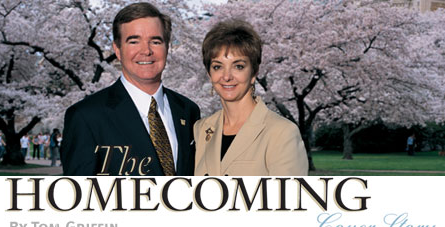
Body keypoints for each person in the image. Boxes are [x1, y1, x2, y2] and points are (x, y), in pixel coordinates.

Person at [61, 2, 200, 176]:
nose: (146, 51)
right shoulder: (86, 117)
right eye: (134, 41)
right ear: (117, 50)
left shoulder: (188, 111)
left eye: (155, 41)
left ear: (167, 47)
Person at [194, 19, 308, 176]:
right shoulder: (201, 129)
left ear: (254, 73)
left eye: (238, 66)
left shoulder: (282, 133)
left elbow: (287, 199)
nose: (226, 76)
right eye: (217, 67)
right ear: (209, 73)